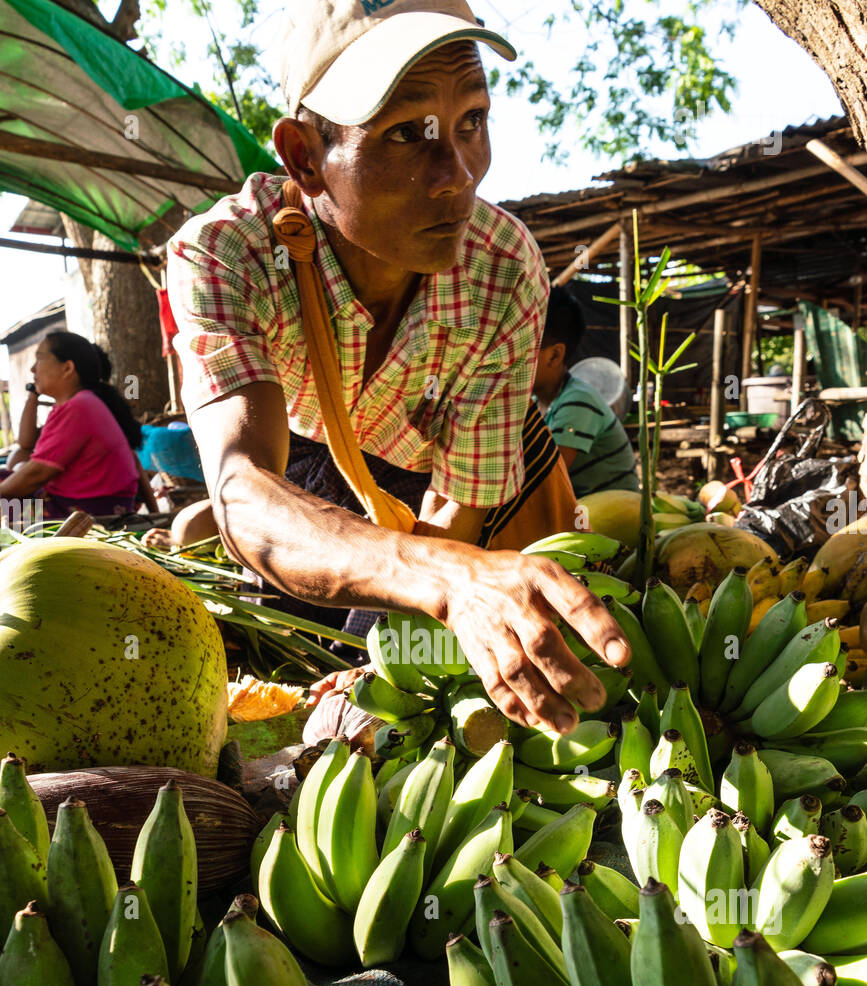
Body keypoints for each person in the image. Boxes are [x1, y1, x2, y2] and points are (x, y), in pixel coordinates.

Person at [167, 0, 629, 733]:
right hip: (312, 474)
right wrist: (448, 582)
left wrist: (402, 637)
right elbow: (245, 490)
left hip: (449, 495)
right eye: (407, 132)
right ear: (303, 158)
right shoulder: (228, 256)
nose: (455, 175)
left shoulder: (504, 268)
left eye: (470, 120)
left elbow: (459, 512)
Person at [0, 332, 153, 519]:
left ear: (67, 368)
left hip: (88, 512)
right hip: (98, 505)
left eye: (39, 358)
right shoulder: (81, 404)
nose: (33, 369)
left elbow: (37, 473)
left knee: (9, 495)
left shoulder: (79, 407)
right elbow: (28, 450)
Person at [534, 286, 640, 498]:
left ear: (554, 356)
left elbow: (543, 483)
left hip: (609, 524)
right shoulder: (536, 402)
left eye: (520, 349)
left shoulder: (578, 401)